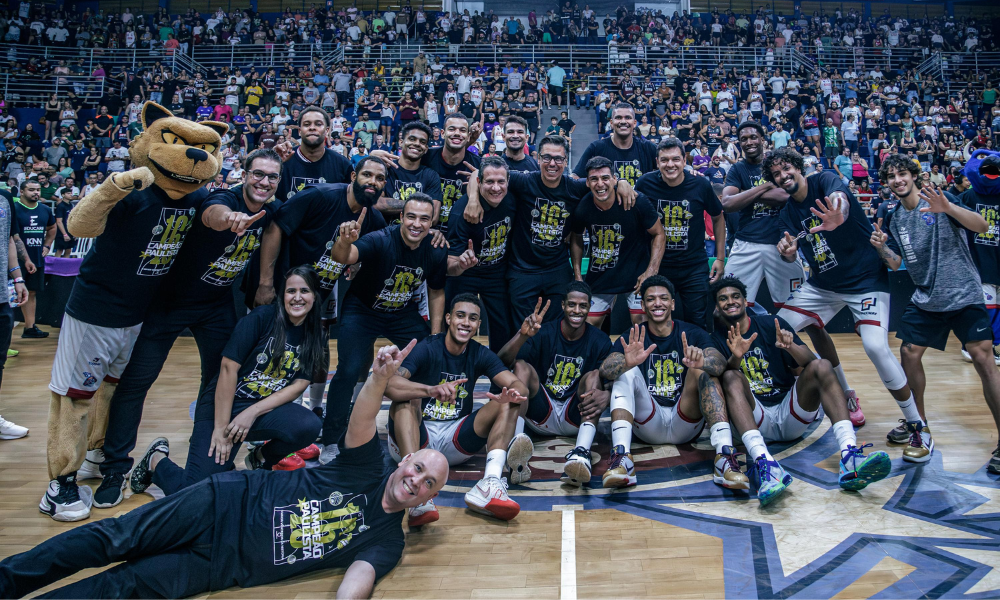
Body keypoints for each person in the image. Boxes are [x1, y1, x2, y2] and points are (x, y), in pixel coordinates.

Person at [0, 340, 449, 599]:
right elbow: (363, 417)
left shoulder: (388, 541)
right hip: (222, 503)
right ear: (406, 459)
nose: (416, 481)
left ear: (430, 498)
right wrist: (377, 378)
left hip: (219, 567)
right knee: (115, 539)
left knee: (124, 588)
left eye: (429, 485)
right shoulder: (366, 466)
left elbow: (358, 580)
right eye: (419, 469)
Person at [92, 149, 283, 508]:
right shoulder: (224, 200)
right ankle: (116, 468)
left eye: (272, 177)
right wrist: (231, 219)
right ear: (244, 173)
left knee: (221, 381)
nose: (264, 182)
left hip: (217, 306)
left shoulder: (269, 208)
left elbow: (273, 225)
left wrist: (267, 280)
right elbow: (213, 214)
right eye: (258, 174)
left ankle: (209, 454)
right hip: (170, 303)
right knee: (136, 383)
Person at [765, 147, 926, 459]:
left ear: (798, 168)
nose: (784, 176)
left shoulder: (824, 181)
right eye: (776, 174)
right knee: (778, 329)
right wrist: (786, 252)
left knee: (877, 348)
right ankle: (845, 393)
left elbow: (840, 201)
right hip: (823, 285)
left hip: (865, 279)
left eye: (787, 169)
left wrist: (837, 212)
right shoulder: (785, 213)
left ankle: (917, 424)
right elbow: (790, 250)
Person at [130, 266, 324, 497]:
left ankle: (261, 458)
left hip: (257, 411)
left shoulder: (315, 334)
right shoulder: (261, 318)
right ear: (283, 295)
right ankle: (156, 460)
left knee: (308, 425)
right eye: (291, 291)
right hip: (222, 406)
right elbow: (227, 369)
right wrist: (221, 428)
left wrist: (252, 412)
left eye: (305, 291)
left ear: (314, 296)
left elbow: (298, 385)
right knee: (195, 494)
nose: (298, 297)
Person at [722, 122, 863, 426]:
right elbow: (728, 203)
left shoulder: (782, 167)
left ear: (764, 139)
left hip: (781, 245)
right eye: (743, 137)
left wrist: (754, 194)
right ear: (739, 142)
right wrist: (762, 188)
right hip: (745, 245)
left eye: (754, 136)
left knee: (812, 323)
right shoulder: (738, 170)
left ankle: (845, 389)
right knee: (726, 314)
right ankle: (734, 387)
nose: (749, 141)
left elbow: (789, 196)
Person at [710, 276, 891, 505]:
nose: (730, 301)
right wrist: (736, 357)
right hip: (754, 417)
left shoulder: (772, 324)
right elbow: (723, 382)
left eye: (735, 296)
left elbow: (809, 363)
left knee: (822, 365)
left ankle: (849, 455)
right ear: (717, 307)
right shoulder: (715, 339)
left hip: (788, 411)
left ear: (746, 302)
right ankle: (765, 463)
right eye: (723, 299)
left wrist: (791, 347)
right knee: (730, 376)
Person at [872, 154, 1000, 472]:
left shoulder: (941, 199)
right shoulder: (895, 217)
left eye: (902, 174)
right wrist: (881, 247)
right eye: (891, 176)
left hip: (963, 293)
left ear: (914, 177)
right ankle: (919, 427)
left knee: (983, 359)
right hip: (926, 297)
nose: (897, 180)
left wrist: (949, 208)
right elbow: (896, 263)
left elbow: (982, 225)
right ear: (886, 183)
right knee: (909, 353)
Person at [386, 294, 531, 526]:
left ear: (478, 325)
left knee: (510, 400)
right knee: (406, 399)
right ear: (448, 318)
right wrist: (430, 390)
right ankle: (414, 488)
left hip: (455, 440)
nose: (465, 322)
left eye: (472, 318)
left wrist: (512, 392)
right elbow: (390, 385)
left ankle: (490, 484)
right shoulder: (427, 347)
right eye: (460, 316)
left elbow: (518, 384)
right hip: (415, 438)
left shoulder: (479, 352)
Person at [323, 193, 447, 463]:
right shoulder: (380, 239)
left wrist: (436, 335)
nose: (417, 224)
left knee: (430, 355)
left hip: (402, 313)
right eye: (411, 216)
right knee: (349, 368)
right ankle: (331, 439)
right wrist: (343, 242)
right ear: (401, 217)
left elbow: (436, 291)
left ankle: (417, 426)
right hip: (363, 310)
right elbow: (345, 257)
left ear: (432, 222)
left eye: (424, 219)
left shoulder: (436, 249)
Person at [464, 135, 632, 326]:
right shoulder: (523, 181)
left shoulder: (575, 187)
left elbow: (602, 181)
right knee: (523, 331)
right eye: (547, 158)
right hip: (522, 270)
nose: (552, 163)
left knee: (557, 329)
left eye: (558, 159)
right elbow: (479, 172)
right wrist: (472, 198)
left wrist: (622, 182)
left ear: (566, 161)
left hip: (557, 269)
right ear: (538, 159)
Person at [596, 275, 738, 490]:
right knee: (625, 372)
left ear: (672, 303)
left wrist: (703, 361)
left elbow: (719, 364)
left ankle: (725, 456)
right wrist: (626, 362)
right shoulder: (634, 335)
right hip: (648, 422)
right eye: (651, 299)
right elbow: (605, 370)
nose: (658, 303)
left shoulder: (692, 333)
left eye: (663, 298)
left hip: (685, 420)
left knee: (703, 370)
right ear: (643, 305)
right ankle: (622, 456)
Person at [499, 283, 612, 486]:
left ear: (590, 307)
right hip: (541, 412)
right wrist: (522, 335)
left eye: (583, 306)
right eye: (572, 304)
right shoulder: (545, 332)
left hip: (575, 413)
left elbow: (610, 379)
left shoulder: (600, 340)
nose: (577, 310)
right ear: (563, 305)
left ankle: (581, 452)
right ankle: (516, 447)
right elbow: (502, 362)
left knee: (594, 375)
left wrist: (609, 395)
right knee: (521, 367)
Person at [636, 138, 726, 328]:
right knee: (657, 322)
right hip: (658, 266)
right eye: (665, 160)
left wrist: (720, 257)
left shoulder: (700, 185)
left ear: (685, 161)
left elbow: (718, 217)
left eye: (676, 159)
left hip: (693, 267)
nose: (670, 164)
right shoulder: (645, 183)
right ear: (657, 162)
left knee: (698, 322)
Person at [570, 156, 665, 328]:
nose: (600, 184)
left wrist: (651, 270)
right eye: (594, 179)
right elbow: (576, 237)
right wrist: (578, 276)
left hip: (636, 276)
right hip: (600, 276)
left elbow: (659, 233)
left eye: (605, 178)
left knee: (642, 326)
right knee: (587, 327)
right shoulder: (583, 207)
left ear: (615, 179)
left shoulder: (637, 201)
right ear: (587, 183)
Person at [446, 156, 516, 352]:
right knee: (456, 323)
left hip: (497, 272)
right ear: (479, 183)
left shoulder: (512, 197)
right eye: (489, 182)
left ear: (508, 182)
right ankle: (452, 368)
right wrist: (461, 264)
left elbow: (477, 172)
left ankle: (499, 375)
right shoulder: (462, 212)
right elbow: (449, 266)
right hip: (466, 274)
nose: (496, 188)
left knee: (503, 327)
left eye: (500, 182)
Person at [274, 106, 353, 202]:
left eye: (318, 124)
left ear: (327, 131)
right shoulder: (282, 160)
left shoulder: (343, 164)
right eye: (307, 124)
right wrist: (270, 160)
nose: (312, 128)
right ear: (299, 131)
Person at [419, 114, 481, 234]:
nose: (457, 133)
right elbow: (402, 164)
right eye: (452, 129)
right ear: (442, 133)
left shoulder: (478, 165)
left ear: (468, 136)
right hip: (427, 233)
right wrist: (374, 156)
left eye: (462, 130)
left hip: (461, 236)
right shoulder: (426, 157)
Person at [0, 183, 28, 440]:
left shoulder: (5, 198)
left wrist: (17, 278)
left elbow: (9, 240)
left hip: (1, 294)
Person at [573, 103, 658, 186]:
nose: (623, 121)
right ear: (611, 123)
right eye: (618, 117)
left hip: (641, 200)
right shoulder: (596, 148)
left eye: (628, 117)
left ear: (634, 123)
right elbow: (575, 178)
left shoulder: (649, 148)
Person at [14, 179, 55, 338]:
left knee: (31, 293)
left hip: (36, 257)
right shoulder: (15, 209)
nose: (36, 193)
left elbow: (52, 228)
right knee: (10, 295)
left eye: (38, 190)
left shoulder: (45, 209)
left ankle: (29, 328)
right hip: (15, 260)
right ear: (22, 192)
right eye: (31, 190)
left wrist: (47, 245)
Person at [381, 121, 443, 219]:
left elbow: (433, 216)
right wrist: (421, 207)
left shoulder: (431, 176)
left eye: (422, 142)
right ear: (401, 142)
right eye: (412, 139)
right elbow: (376, 203)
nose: (417, 144)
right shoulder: (386, 169)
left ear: (426, 149)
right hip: (385, 233)